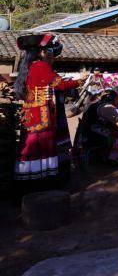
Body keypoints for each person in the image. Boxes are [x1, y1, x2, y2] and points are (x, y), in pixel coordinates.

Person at [13, 34, 85, 188]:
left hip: (30, 114)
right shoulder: (40, 66)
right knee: (42, 145)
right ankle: (43, 182)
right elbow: (59, 84)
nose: (51, 56)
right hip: (42, 115)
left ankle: (30, 179)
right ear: (41, 52)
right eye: (49, 52)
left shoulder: (29, 66)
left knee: (30, 145)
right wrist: (80, 81)